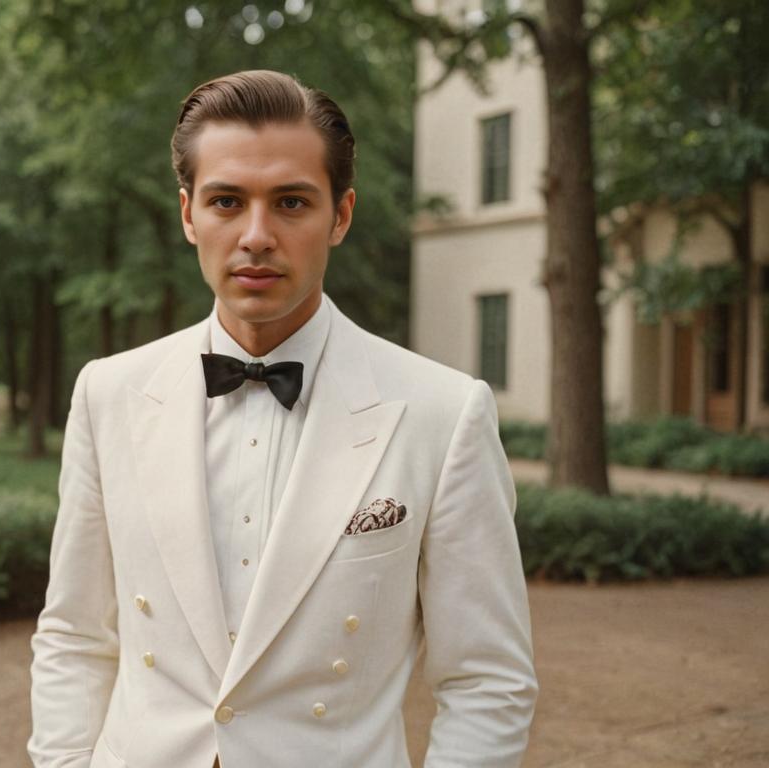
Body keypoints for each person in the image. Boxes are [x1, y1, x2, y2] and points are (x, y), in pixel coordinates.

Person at [28, 69, 537, 768]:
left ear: (341, 215)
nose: (257, 235)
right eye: (227, 201)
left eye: (291, 202)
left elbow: (486, 679)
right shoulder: (108, 394)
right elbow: (75, 636)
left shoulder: (442, 414)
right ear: (188, 215)